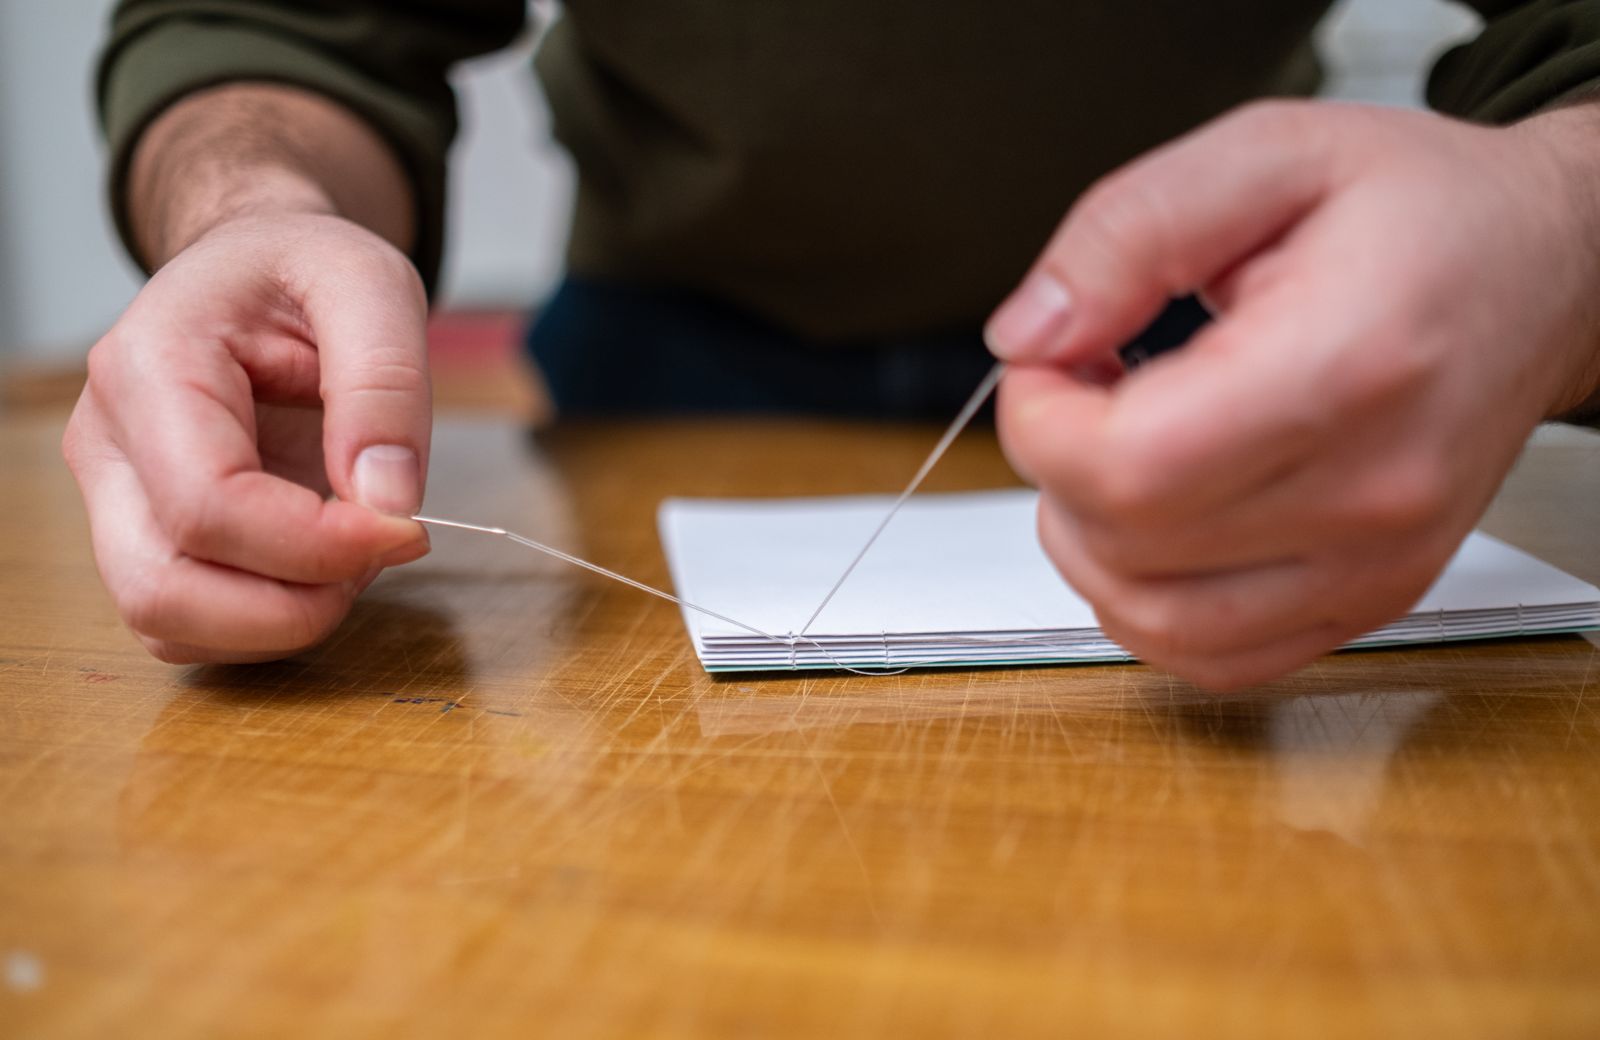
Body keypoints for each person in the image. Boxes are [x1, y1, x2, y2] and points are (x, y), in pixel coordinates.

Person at [67, 1, 1600, 689]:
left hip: (1244, 378)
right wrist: (247, 216)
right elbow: (285, 21)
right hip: (656, 373)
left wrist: (1556, 213)